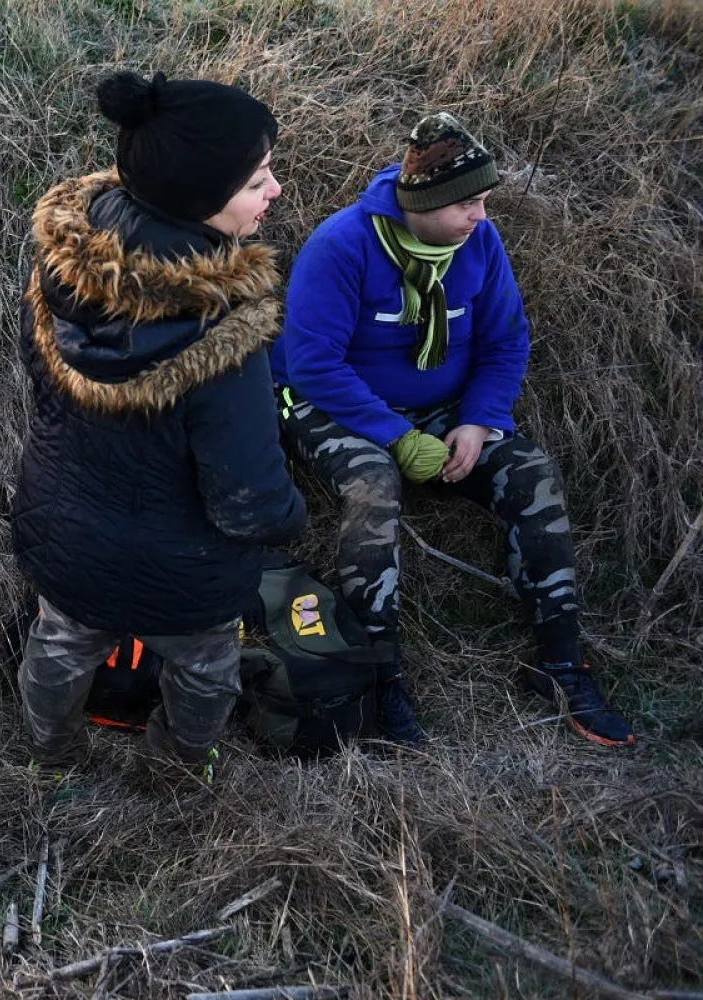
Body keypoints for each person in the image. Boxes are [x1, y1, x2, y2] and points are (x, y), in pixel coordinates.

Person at [273, 113, 634, 748]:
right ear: (426, 202)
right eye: (469, 202)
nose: (482, 217)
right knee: (373, 484)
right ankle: (379, 678)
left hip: (444, 409)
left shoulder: (479, 246)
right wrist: (398, 438)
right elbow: (312, 364)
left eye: (485, 200)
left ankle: (559, 663)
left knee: (530, 473)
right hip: (333, 405)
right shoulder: (342, 246)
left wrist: (479, 420)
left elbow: (505, 342)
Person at [11, 70, 306, 774]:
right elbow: (249, 502)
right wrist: (293, 518)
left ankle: (49, 758)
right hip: (186, 569)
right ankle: (175, 769)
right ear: (202, 198)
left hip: (66, 535)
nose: (276, 191)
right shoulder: (223, 335)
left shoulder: (62, 271)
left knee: (58, 644)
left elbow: (42, 385)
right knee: (207, 666)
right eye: (257, 179)